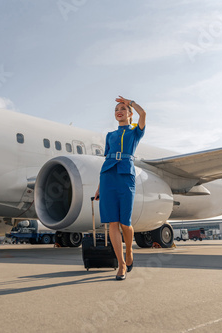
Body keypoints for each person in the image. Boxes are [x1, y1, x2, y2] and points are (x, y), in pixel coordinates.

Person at [94, 96, 146, 280]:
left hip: (126, 175)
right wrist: (99, 187)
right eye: (117, 109)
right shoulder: (110, 136)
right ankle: (121, 264)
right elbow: (107, 159)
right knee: (112, 223)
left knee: (126, 222)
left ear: (129, 113)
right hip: (108, 176)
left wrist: (130, 101)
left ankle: (129, 251)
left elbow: (143, 113)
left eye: (123, 108)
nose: (119, 111)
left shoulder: (135, 132)